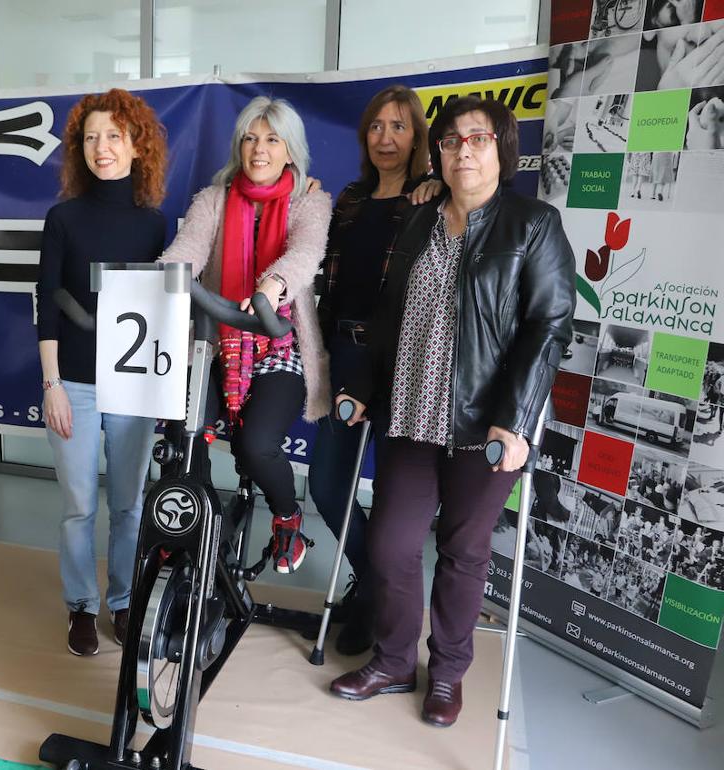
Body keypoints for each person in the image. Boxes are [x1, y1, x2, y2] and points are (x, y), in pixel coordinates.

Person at [327, 96, 574, 728]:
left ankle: (449, 673)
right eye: (452, 140)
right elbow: (386, 316)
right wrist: (363, 387)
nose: (464, 150)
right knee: (389, 545)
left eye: (479, 139)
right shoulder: (417, 222)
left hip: (485, 428)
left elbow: (548, 326)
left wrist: (515, 420)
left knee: (464, 553)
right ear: (437, 151)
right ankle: (391, 661)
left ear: (501, 149)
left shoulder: (534, 224)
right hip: (410, 412)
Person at [161, 96, 332, 574]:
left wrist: (272, 285)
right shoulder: (214, 199)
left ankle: (287, 518)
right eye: (251, 138)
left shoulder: (309, 201)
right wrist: (163, 278)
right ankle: (189, 524)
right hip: (216, 343)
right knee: (186, 434)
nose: (260, 149)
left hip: (278, 342)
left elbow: (305, 253)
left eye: (272, 139)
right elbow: (189, 247)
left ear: (290, 150)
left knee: (255, 444)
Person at [35, 88, 167, 656]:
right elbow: (46, 303)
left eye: (114, 135)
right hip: (77, 388)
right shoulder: (62, 218)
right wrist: (52, 386)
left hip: (136, 386)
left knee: (130, 505)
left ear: (137, 146)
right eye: (90, 137)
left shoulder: (157, 225)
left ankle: (123, 602)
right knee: (79, 505)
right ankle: (81, 606)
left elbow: (167, 310)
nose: (102, 147)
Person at [309, 84, 436, 655]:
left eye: (399, 126)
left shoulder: (430, 201)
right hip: (344, 352)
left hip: (401, 363)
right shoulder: (351, 200)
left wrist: (440, 190)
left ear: (417, 137)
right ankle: (373, 584)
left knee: (391, 499)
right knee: (328, 486)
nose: (386, 138)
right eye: (377, 127)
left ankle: (380, 605)